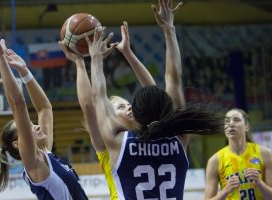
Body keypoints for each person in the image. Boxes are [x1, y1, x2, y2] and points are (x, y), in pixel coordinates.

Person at [85, 4, 224, 200]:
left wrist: (96, 58)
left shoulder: (118, 141)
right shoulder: (179, 137)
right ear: (164, 110)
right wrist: (170, 29)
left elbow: (97, 95)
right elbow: (173, 78)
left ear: (137, 115)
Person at [0, 25, 88, 200]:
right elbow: (18, 104)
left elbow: (45, 108)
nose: (36, 126)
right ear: (18, 144)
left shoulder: (45, 154)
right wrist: (2, 59)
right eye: (28, 127)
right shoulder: (34, 163)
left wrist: (25, 72)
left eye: (32, 124)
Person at [59, 21, 155, 200]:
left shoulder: (149, 132)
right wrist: (80, 63)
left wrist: (127, 53)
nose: (128, 107)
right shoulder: (105, 145)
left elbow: (154, 93)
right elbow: (89, 105)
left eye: (128, 104)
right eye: (120, 107)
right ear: (109, 116)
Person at [204, 108, 272, 200]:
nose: (231, 124)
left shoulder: (265, 154)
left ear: (246, 126)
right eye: (227, 121)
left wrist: (259, 183)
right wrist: (226, 190)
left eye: (236, 120)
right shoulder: (215, 160)